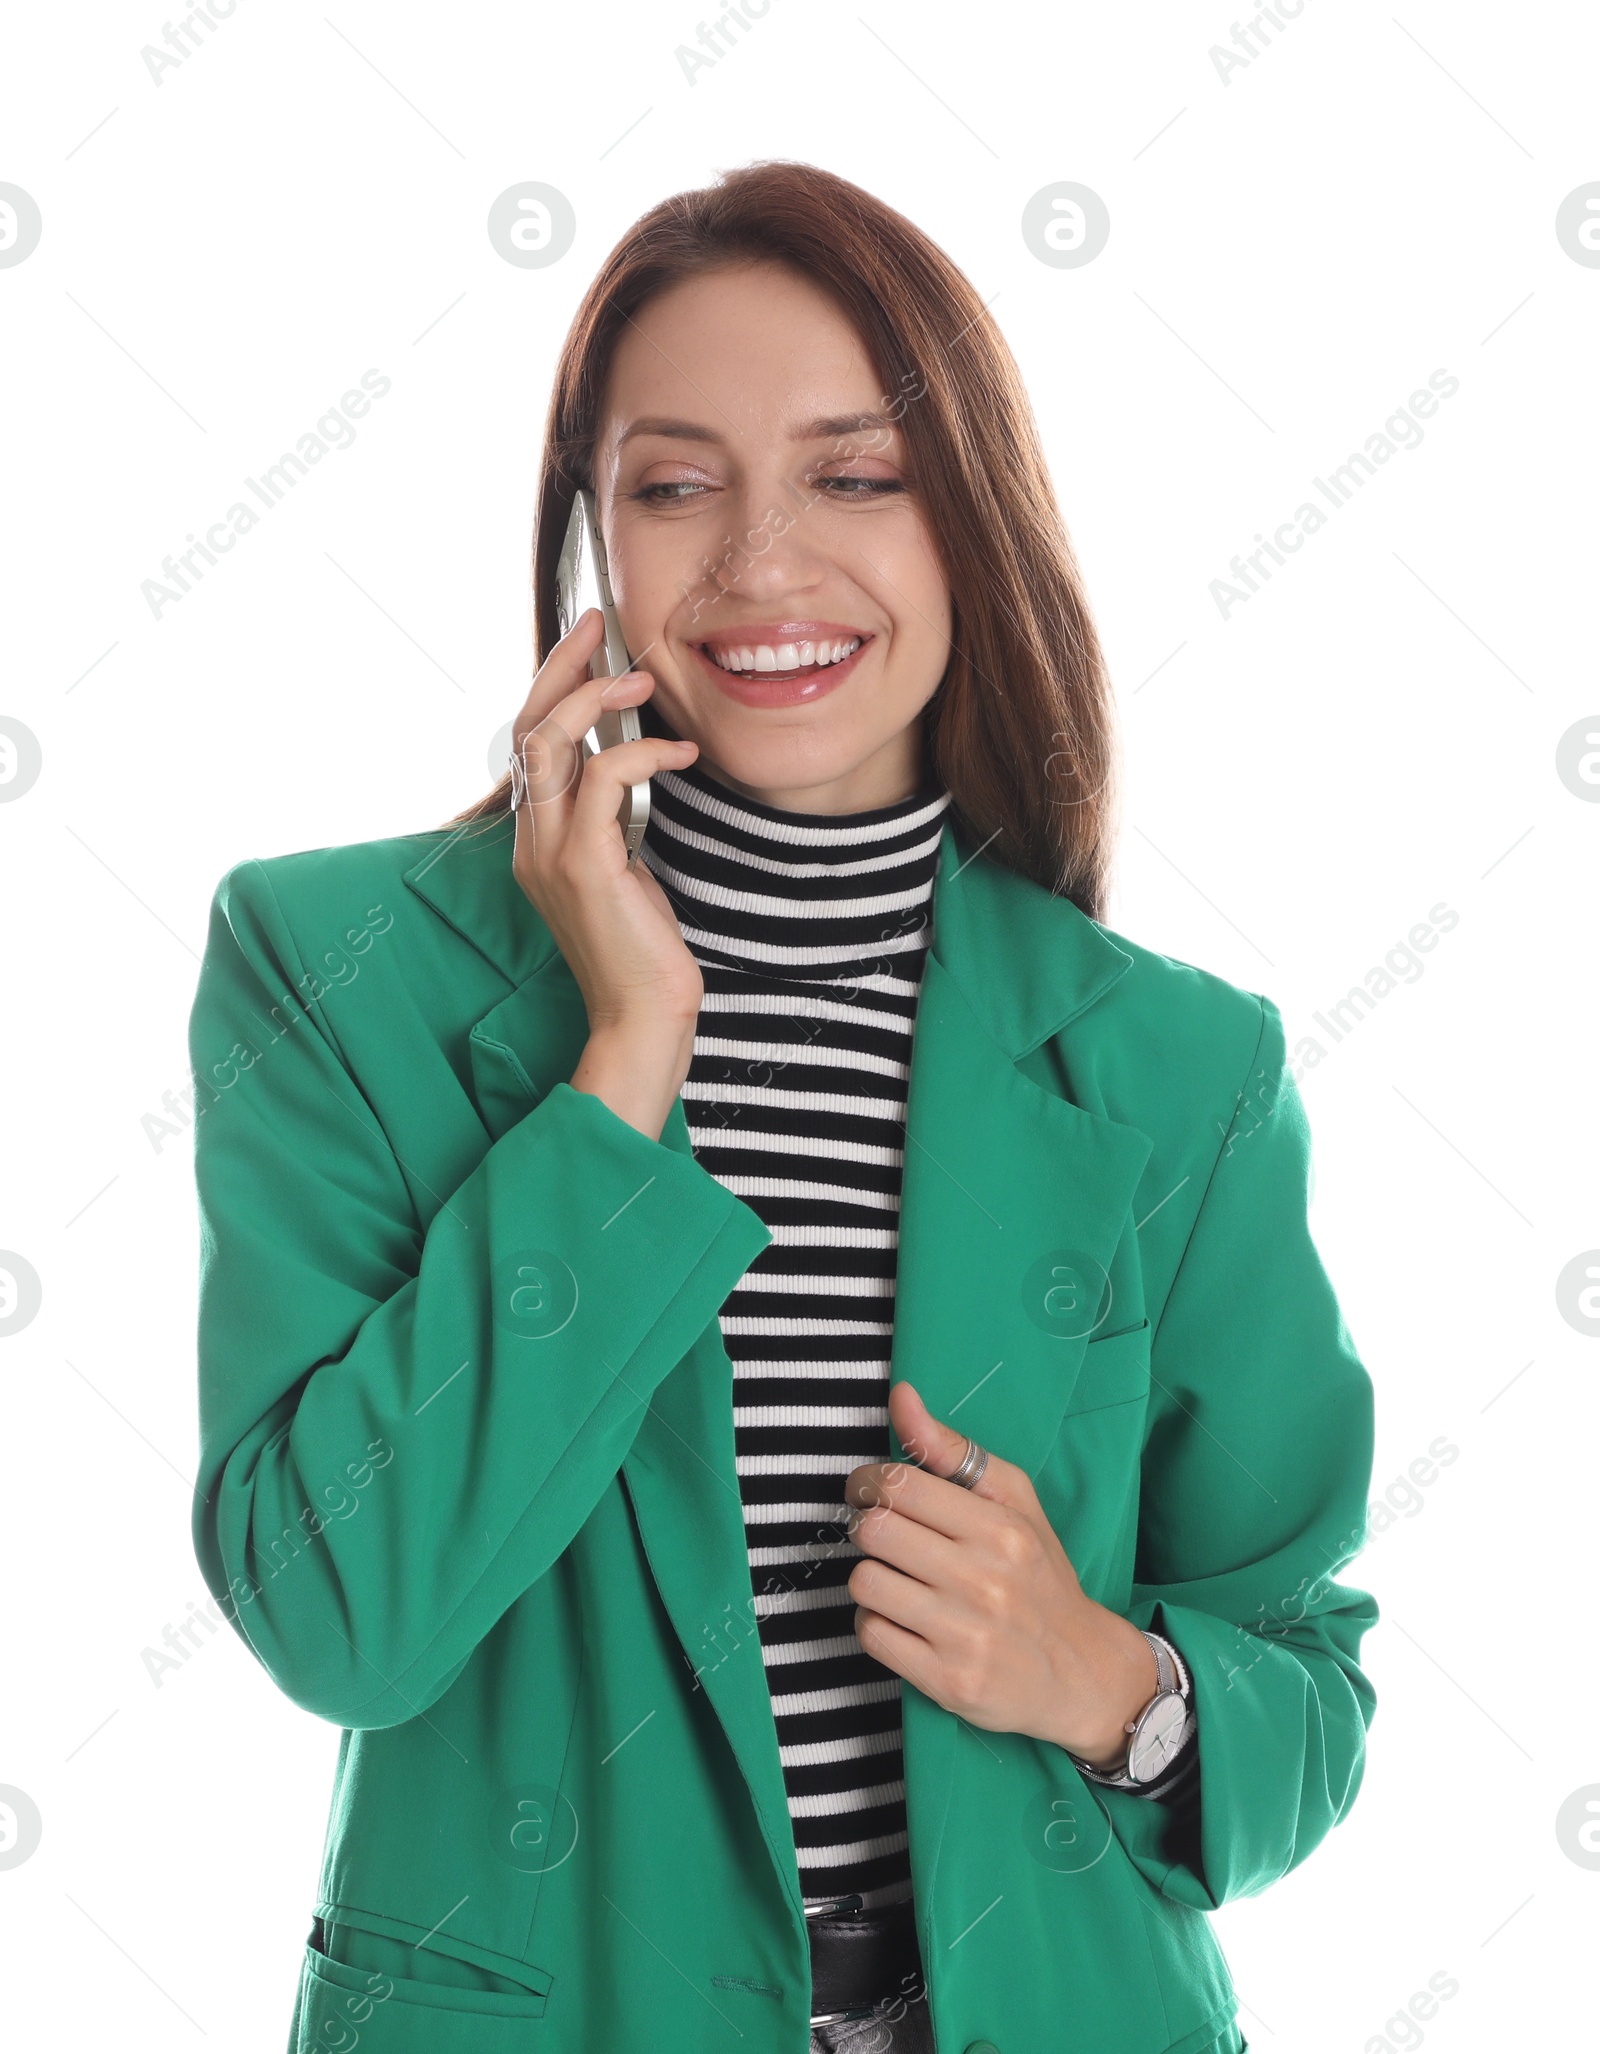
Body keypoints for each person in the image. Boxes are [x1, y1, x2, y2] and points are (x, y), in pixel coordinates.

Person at [188, 160, 1376, 2054]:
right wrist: (624, 1057)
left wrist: (1105, 1681)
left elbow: (1307, 1677)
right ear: (595, 536)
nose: (757, 562)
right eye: (674, 484)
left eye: (855, 473)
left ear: (970, 519)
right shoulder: (338, 971)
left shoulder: (1179, 1069)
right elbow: (341, 1610)